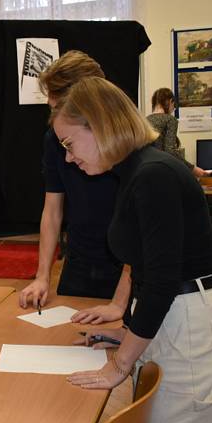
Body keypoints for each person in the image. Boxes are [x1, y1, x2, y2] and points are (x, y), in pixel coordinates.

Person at [60, 77, 212, 423]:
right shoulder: (136, 171)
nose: (68, 157)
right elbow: (145, 265)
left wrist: (120, 364)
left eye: (69, 143)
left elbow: (162, 281)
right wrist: (124, 331)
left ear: (99, 125)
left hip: (191, 337)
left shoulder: (153, 174)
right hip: (176, 325)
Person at [18, 50, 131, 324]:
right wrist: (42, 276)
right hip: (80, 259)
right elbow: (52, 210)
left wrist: (120, 299)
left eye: (56, 104)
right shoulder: (53, 140)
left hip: (127, 266)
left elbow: (141, 231)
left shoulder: (126, 140)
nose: (49, 107)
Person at [146, 87, 206, 177]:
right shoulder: (170, 119)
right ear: (170, 102)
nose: (173, 109)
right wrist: (193, 169)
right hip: (162, 170)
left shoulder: (144, 120)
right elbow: (170, 151)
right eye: (174, 105)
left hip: (145, 171)